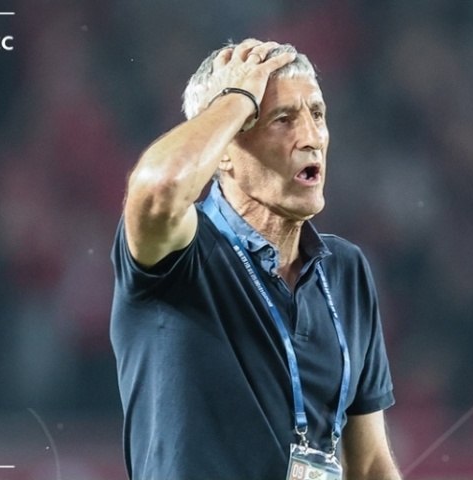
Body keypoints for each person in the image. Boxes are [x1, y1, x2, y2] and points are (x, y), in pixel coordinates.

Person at [110, 38, 400, 480]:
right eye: (283, 119)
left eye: (317, 114)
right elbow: (161, 186)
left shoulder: (346, 271)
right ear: (224, 151)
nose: (311, 138)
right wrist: (236, 97)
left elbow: (370, 464)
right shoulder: (180, 256)